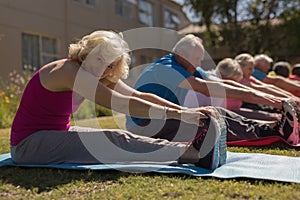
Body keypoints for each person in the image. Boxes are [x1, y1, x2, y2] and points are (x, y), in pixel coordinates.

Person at [10, 30, 229, 170]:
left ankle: (187, 148)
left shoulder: (100, 72)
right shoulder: (69, 71)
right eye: (99, 58)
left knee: (120, 136)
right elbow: (122, 104)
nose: (102, 67)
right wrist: (184, 115)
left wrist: (185, 112)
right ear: (86, 52)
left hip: (55, 134)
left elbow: (137, 95)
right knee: (113, 140)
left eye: (110, 64)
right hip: (28, 145)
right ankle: (191, 155)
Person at [126, 34, 299, 146]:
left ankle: (273, 129)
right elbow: (207, 88)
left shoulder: (187, 65)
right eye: (197, 59)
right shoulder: (166, 68)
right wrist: (276, 101)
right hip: (145, 125)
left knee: (217, 112)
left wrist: (273, 98)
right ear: (180, 53)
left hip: (166, 116)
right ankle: (271, 133)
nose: (199, 64)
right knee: (209, 121)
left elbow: (228, 85)